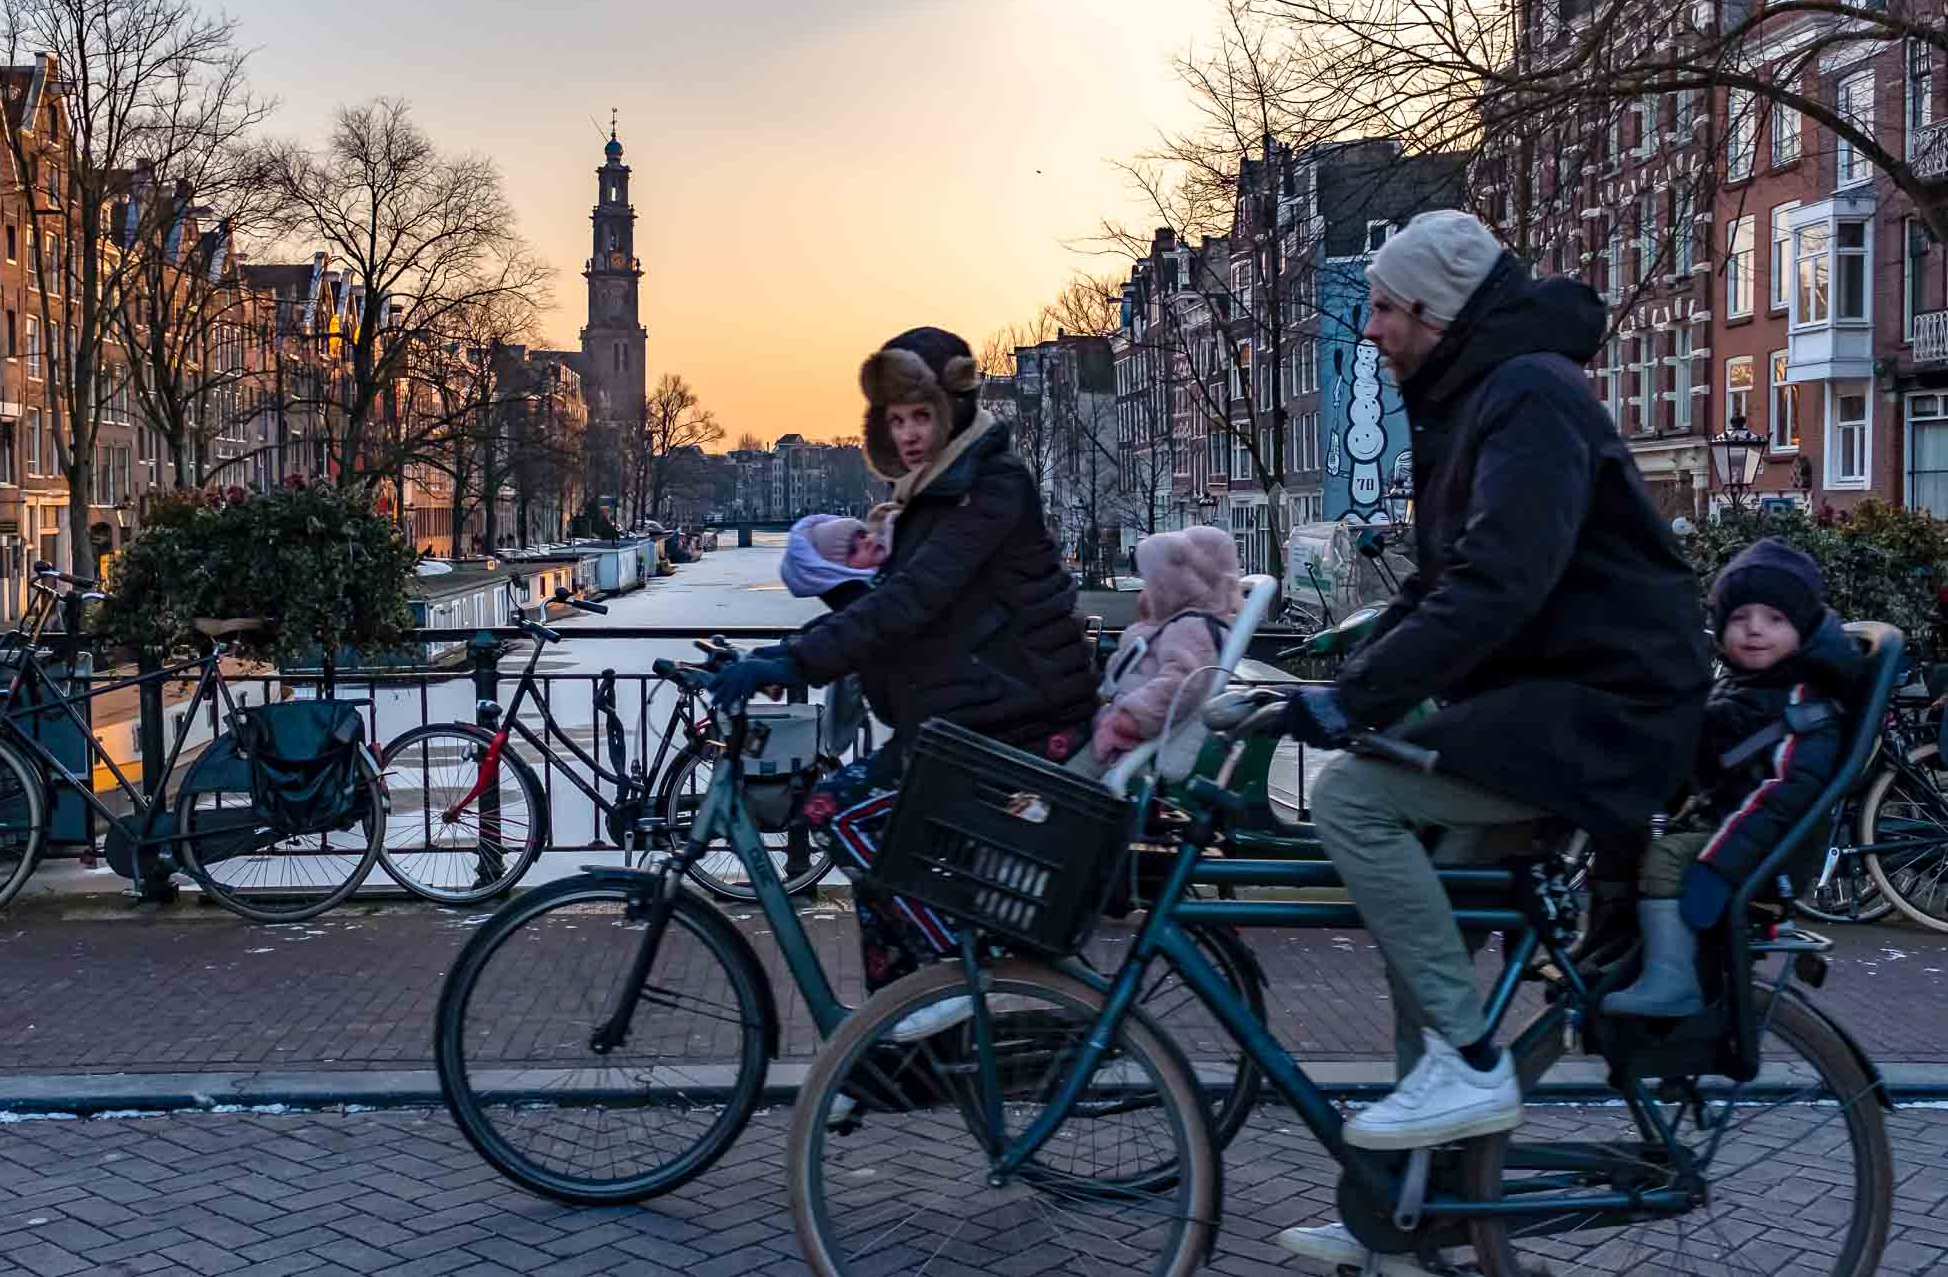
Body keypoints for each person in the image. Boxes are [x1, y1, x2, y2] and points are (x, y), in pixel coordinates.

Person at [1270, 211, 1709, 1276]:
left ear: (1431, 311)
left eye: (1380, 308)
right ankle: (1411, 1203)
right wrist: (1326, 670)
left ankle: (1467, 1064)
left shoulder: (1525, 398)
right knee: (1423, 928)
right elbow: (1438, 581)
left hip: (1604, 707)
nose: (1367, 330)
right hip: (1551, 699)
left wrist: (1362, 705)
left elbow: (1501, 579)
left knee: (1350, 802)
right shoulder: (1479, 398)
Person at [707, 326, 1099, 1037]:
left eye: (922, 416)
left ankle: (956, 979)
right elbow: (895, 607)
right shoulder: (927, 497)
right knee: (850, 820)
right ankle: (896, 1043)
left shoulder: (991, 487)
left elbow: (913, 599)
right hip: (964, 720)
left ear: (951, 411)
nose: (910, 434)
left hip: (1019, 721)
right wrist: (804, 633)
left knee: (842, 814)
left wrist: (794, 660)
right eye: (896, 419)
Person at [1605, 539, 1855, 1016]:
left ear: (1802, 628)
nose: (1754, 630)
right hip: (1729, 827)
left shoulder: (1805, 706)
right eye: (1739, 618)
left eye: (1775, 619)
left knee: (1662, 858)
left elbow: (1784, 798)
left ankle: (1672, 981)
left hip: (1763, 855)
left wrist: (1717, 868)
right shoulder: (1749, 685)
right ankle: (1618, 953)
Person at [1087, 526, 1243, 769]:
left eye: (1154, 582)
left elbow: (1181, 684)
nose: (1148, 589)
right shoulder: (1175, 623)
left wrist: (1130, 719)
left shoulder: (1193, 628)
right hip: (1113, 727)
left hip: (1122, 745)